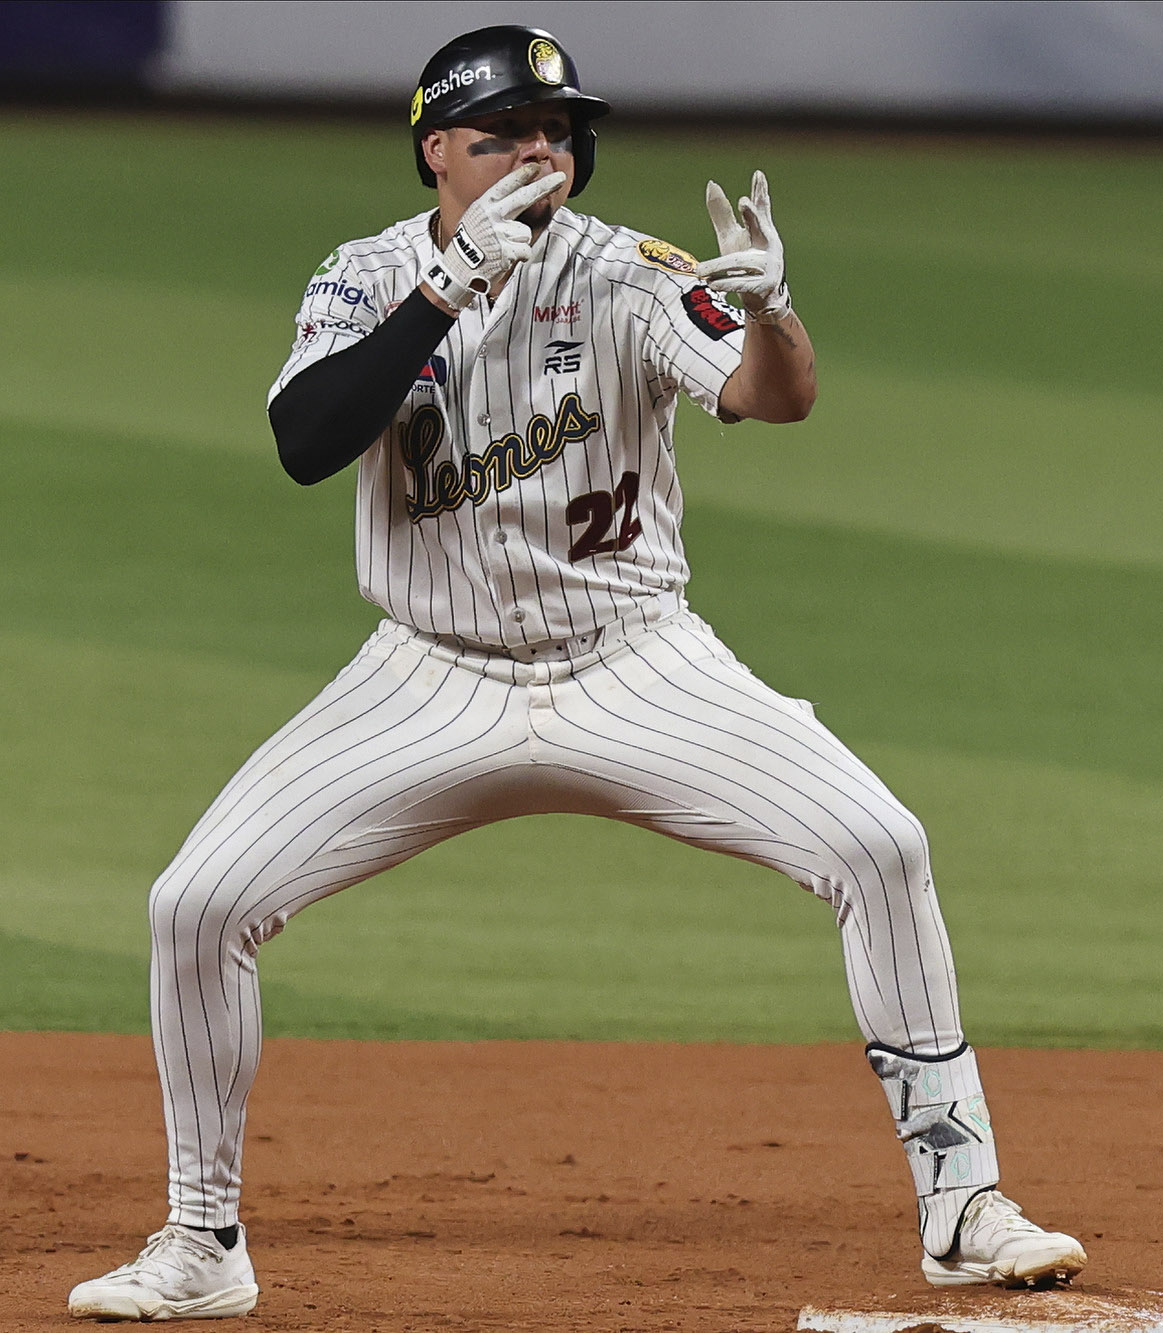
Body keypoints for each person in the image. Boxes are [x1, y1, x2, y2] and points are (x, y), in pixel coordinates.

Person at [67, 25, 1086, 1322]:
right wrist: (443, 294)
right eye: (502, 135)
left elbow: (778, 401)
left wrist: (775, 317)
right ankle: (202, 1240)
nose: (537, 154)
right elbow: (306, 441)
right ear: (438, 150)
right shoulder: (365, 274)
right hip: (424, 678)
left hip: (637, 665)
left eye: (555, 132)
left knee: (879, 842)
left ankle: (965, 1200)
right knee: (195, 904)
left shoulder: (629, 273)